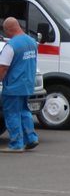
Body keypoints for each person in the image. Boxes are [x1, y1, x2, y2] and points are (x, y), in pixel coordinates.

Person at [0, 17, 39, 153]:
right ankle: (31, 138)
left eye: (5, 30)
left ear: (9, 29)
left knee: (12, 114)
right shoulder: (32, 42)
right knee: (24, 111)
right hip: (27, 84)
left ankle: (16, 143)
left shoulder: (11, 45)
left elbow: (3, 67)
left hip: (13, 86)